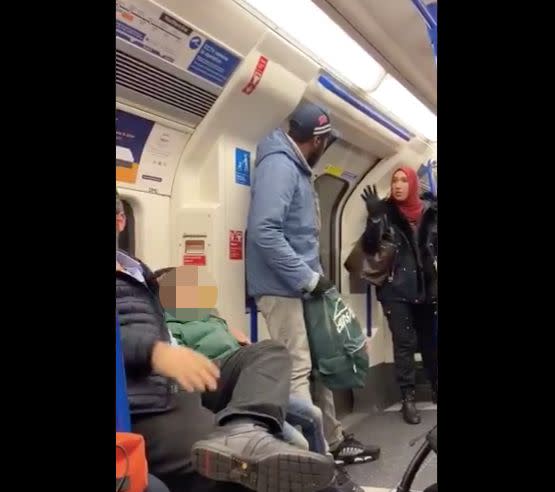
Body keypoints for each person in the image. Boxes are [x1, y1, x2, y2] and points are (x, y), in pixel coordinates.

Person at [115, 192, 334, 492]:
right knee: (241, 470)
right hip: (144, 407)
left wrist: (215, 331)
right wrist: (154, 352)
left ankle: (244, 428)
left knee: (269, 353)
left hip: (180, 385)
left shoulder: (138, 271)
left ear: (120, 221)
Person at [246, 102, 380, 465]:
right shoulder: (278, 167)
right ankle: (312, 458)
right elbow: (264, 232)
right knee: (299, 367)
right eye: (326, 141)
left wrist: (315, 280)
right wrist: (306, 277)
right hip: (283, 287)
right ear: (316, 140)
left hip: (302, 286)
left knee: (321, 362)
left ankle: (332, 441)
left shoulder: (296, 167)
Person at [157, 265, 364, 492]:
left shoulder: (210, 317)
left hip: (248, 375)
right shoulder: (169, 328)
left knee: (313, 414)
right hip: (223, 389)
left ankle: (329, 477)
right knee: (298, 442)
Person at [360, 167, 438, 425]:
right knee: (404, 343)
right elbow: (370, 248)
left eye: (404, 180)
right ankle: (408, 398)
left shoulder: (430, 211)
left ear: (413, 184)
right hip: (396, 289)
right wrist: (373, 219)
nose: (398, 185)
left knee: (430, 341)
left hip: (426, 287)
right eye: (394, 180)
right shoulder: (384, 212)